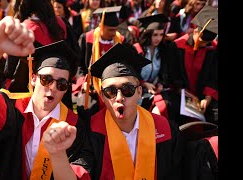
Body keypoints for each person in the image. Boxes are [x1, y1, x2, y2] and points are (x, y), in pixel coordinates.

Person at [0, 17, 93, 180]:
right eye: (46, 79)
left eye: (62, 84)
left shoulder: (73, 127)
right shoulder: (11, 108)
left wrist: (58, 154)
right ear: (33, 78)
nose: (53, 88)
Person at [87, 43, 185, 180]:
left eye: (128, 90)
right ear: (102, 96)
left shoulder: (165, 129)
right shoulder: (90, 132)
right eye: (110, 91)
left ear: (139, 92)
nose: (120, 98)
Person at [4, 0, 80, 110]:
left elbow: (10, 69)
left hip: (34, 88)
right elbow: (75, 54)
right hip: (61, 87)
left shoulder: (24, 29)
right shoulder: (61, 23)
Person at [166, 5, 218, 126]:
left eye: (206, 43)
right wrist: (184, 92)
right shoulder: (177, 46)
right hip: (181, 93)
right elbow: (173, 75)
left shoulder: (213, 49)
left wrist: (207, 98)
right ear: (195, 31)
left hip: (202, 94)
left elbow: (214, 75)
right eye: (201, 42)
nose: (203, 45)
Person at [76, 6, 126, 116]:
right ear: (101, 26)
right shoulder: (87, 39)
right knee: (87, 109)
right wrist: (83, 82)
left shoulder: (120, 40)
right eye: (110, 30)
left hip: (114, 86)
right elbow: (79, 65)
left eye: (115, 29)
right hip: (91, 85)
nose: (114, 33)